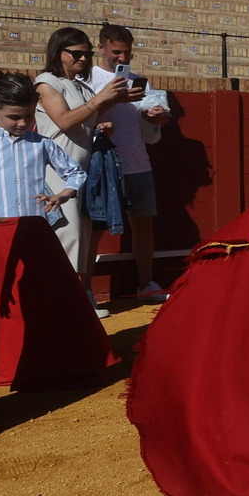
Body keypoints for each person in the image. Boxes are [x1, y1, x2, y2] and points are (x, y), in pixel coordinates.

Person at [36, 27, 128, 317]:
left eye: (87, 54)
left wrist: (117, 99)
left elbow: (86, 117)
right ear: (58, 52)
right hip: (56, 172)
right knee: (69, 235)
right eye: (76, 53)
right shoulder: (46, 82)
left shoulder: (81, 86)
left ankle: (76, 301)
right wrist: (101, 99)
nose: (83, 59)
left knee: (84, 237)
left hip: (82, 171)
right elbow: (64, 121)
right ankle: (67, 306)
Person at [89, 24, 171, 299]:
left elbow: (155, 124)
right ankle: (85, 289)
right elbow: (83, 115)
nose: (122, 58)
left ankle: (146, 284)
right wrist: (115, 99)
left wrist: (156, 118)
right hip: (102, 164)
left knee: (144, 226)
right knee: (94, 229)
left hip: (138, 161)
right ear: (101, 48)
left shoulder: (139, 81)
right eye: (116, 52)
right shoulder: (89, 78)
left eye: (127, 53)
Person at [0, 73, 86, 226]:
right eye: (14, 117)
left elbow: (76, 172)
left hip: (32, 225)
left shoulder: (42, 143)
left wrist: (64, 194)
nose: (22, 123)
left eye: (29, 116)